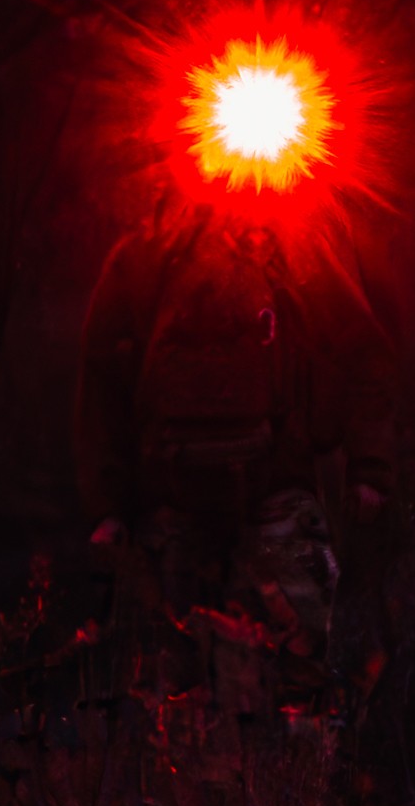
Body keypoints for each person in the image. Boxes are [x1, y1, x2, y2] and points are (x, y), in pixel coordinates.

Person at [76, 40, 396, 709]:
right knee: (174, 702)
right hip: (170, 500)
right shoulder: (152, 248)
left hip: (275, 492)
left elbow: (363, 346)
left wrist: (370, 467)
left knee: (298, 689)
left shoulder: (299, 243)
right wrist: (106, 505)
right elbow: (101, 376)